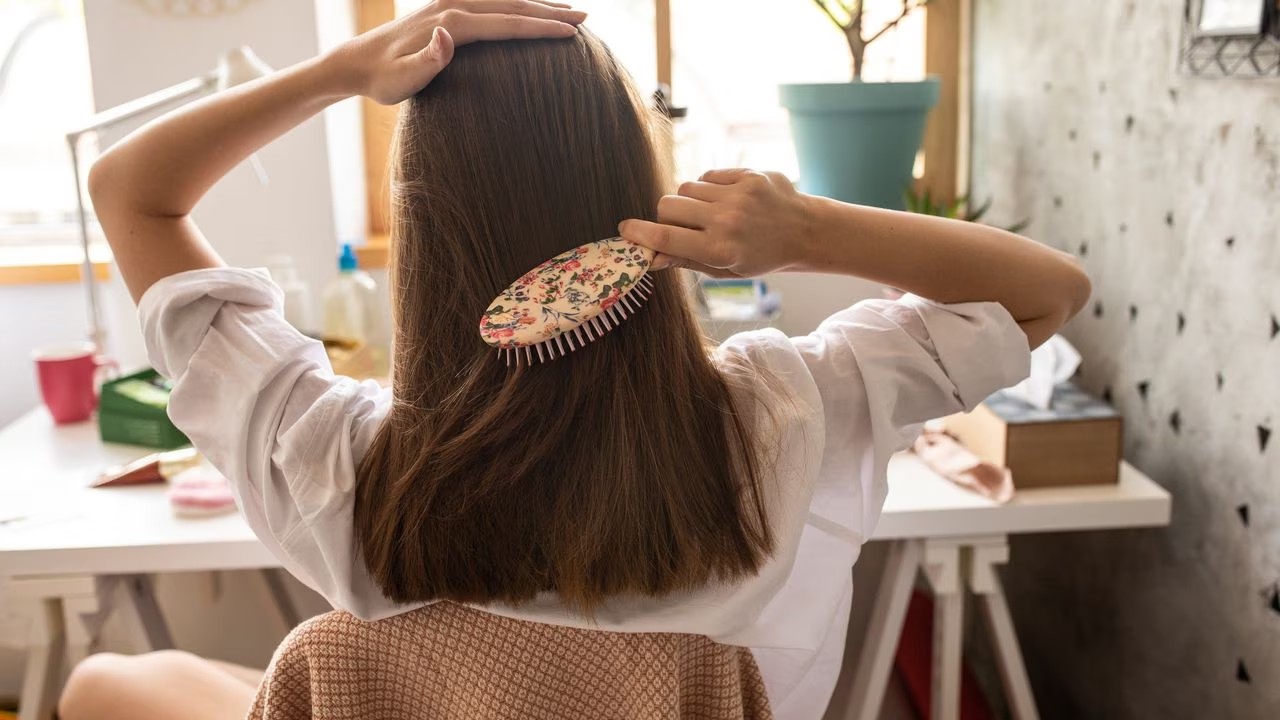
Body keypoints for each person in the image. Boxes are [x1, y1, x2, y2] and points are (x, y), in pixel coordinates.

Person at [58, 0, 1091, 718]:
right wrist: (808, 230)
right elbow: (1049, 291)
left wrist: (343, 71)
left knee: (104, 684)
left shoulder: (332, 461)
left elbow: (130, 192)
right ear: (640, 187)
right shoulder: (783, 415)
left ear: (421, 233)